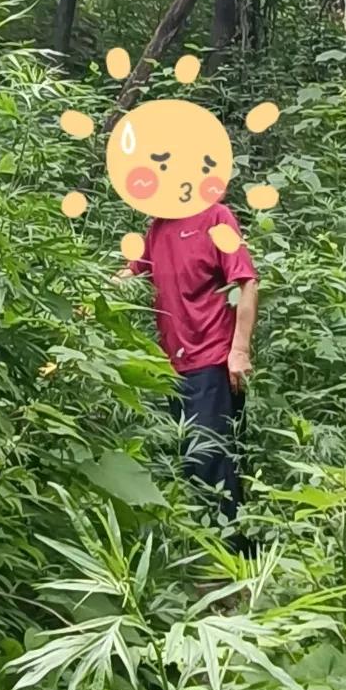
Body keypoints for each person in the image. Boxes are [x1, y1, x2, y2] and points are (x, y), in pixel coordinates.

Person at [121, 202, 258, 527]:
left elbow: (247, 282)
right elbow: (131, 274)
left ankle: (226, 551)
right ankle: (209, 545)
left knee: (210, 461)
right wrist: (87, 294)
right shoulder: (159, 227)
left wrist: (239, 350)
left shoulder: (216, 217)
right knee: (188, 462)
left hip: (212, 361)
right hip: (172, 368)